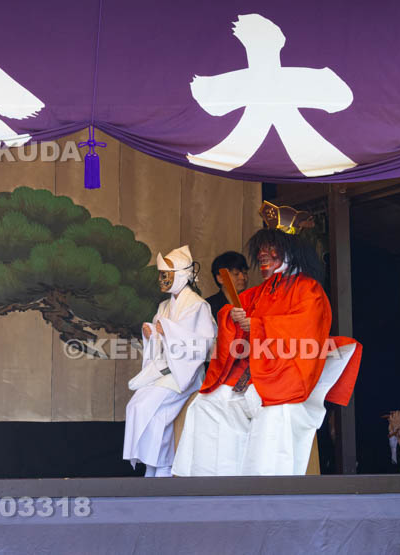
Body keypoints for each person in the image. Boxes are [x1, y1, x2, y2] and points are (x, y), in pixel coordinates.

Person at [172, 201, 362, 476]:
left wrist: (258, 326)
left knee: (274, 415)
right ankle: (212, 483)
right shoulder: (261, 291)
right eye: (261, 250)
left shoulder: (309, 290)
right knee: (208, 404)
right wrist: (231, 316)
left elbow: (304, 329)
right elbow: (231, 313)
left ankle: (265, 487)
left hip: (284, 377)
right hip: (251, 374)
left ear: (290, 252)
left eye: (269, 250)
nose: (262, 255)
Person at [123, 245, 215, 477]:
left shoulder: (198, 305)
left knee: (148, 409)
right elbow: (161, 339)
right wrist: (152, 335)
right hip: (165, 371)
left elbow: (205, 344)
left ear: (183, 275)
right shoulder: (164, 306)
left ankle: (162, 468)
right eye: (161, 273)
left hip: (185, 373)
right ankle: (156, 468)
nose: (162, 279)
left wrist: (170, 331)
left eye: (167, 274)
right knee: (138, 407)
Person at [206, 251, 249, 320]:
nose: (243, 277)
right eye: (236, 274)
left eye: (245, 273)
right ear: (220, 278)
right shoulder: (208, 306)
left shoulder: (252, 303)